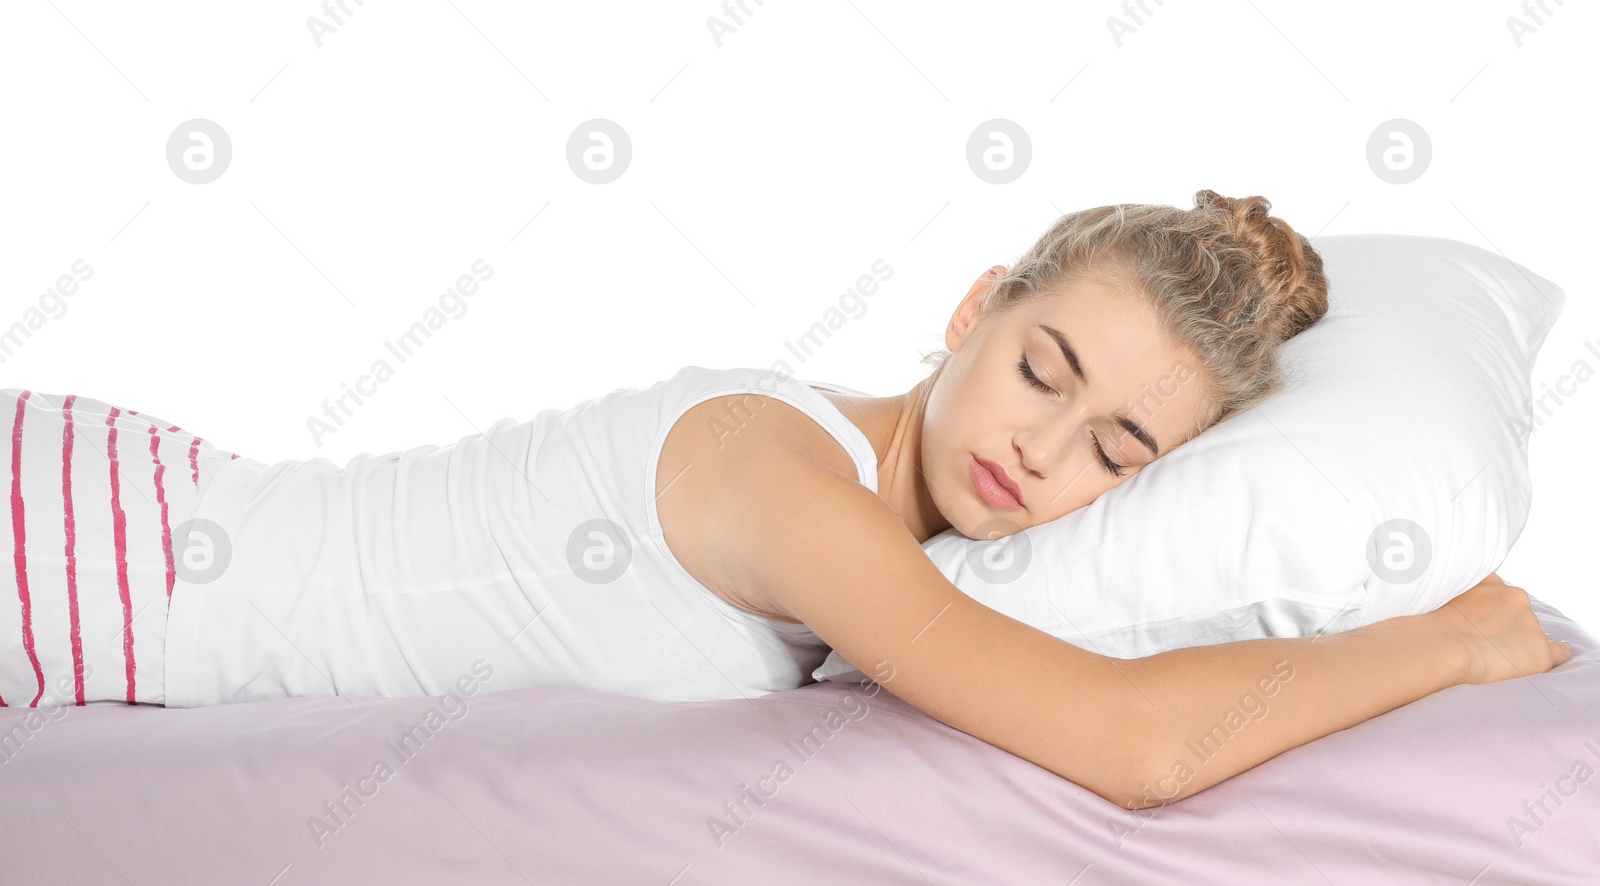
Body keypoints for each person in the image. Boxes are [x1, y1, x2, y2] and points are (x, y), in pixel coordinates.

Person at [0, 189, 1570, 809]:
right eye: (1044, 368)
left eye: (1115, 450)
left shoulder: (875, 527)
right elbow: (1137, 744)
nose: (1043, 453)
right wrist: (1450, 647)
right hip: (79, 562)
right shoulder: (785, 479)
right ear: (974, 307)